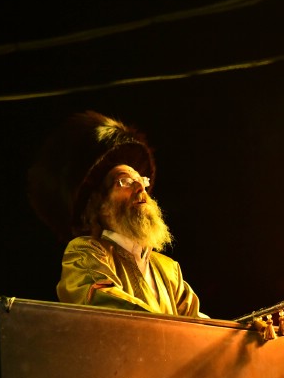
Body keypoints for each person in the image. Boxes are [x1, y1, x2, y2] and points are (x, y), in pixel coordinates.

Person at [28, 111, 205, 318]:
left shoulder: (168, 268)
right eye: (126, 181)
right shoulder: (86, 252)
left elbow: (199, 326)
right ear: (100, 205)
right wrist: (170, 328)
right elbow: (107, 310)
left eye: (142, 180)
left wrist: (237, 329)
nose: (141, 187)